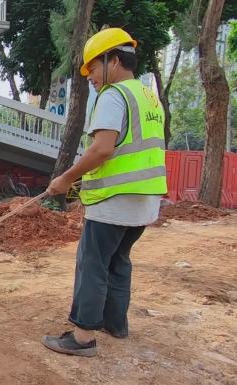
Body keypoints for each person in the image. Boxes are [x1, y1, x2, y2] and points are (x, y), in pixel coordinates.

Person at [42, 28, 167, 357]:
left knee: (92, 264)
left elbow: (101, 150)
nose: (91, 78)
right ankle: (115, 324)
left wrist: (66, 179)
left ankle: (83, 337)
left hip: (115, 201)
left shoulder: (114, 95)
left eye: (93, 69)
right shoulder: (148, 96)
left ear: (113, 60)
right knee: (118, 261)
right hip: (144, 202)